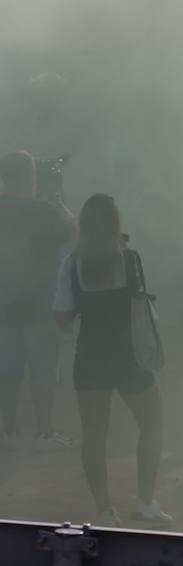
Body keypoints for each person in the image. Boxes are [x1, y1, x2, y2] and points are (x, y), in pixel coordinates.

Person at [53, 194, 169, 525]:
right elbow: (141, 310)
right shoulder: (130, 259)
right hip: (129, 355)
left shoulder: (71, 263)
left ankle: (105, 510)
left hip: (90, 355)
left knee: (94, 435)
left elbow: (61, 317)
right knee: (151, 423)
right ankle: (145, 501)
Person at [0, 149, 73, 450]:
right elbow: (73, 232)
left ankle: (8, 432)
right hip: (40, 306)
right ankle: (43, 432)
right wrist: (57, 198)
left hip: (3, 307)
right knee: (42, 371)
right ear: (28, 176)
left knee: (8, 372)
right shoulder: (44, 211)